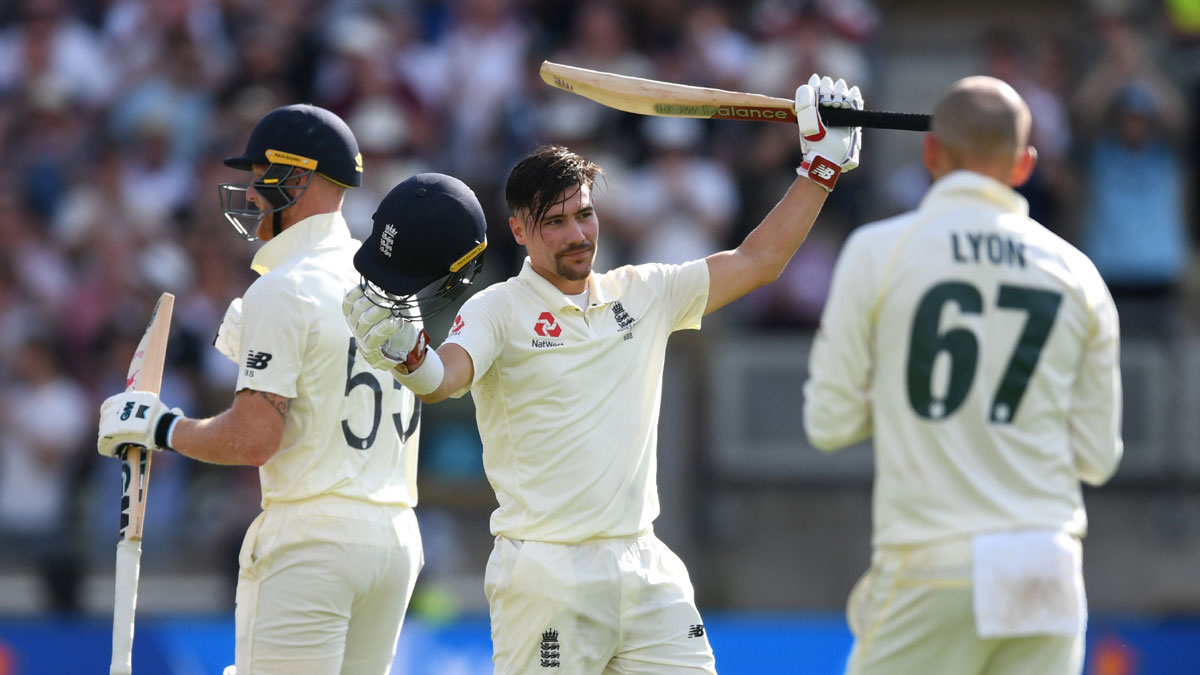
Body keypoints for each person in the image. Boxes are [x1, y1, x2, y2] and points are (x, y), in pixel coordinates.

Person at [343, 74, 863, 673]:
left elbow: (758, 261)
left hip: (645, 564)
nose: (577, 235)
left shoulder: (645, 292)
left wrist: (820, 168)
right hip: (546, 574)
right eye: (555, 222)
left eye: (584, 215)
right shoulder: (498, 309)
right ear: (519, 230)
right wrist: (409, 356)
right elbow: (444, 379)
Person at [95, 104, 457, 675]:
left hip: (313, 538)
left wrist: (161, 426)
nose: (249, 193)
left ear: (297, 177)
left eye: (258, 175)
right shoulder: (390, 285)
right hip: (394, 540)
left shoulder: (283, 288)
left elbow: (254, 439)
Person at [803, 76, 1123, 675]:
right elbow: (1097, 459)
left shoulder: (878, 250)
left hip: (931, 560)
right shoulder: (1079, 274)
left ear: (930, 154)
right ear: (1024, 164)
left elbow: (828, 423)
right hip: (1044, 564)